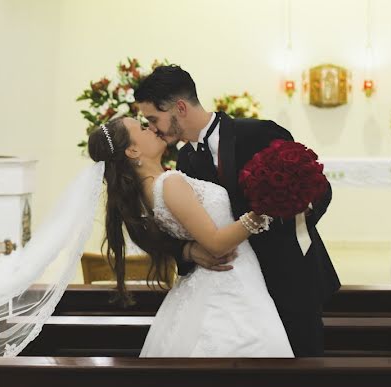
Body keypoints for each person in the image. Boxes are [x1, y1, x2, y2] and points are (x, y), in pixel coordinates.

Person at [134, 65, 340, 356]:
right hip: (238, 286)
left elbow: (317, 189)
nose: (153, 128)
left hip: (289, 276)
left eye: (154, 119)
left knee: (301, 377)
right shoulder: (184, 162)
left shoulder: (259, 133)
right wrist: (190, 250)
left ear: (179, 108)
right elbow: (188, 226)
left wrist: (295, 211)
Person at [89, 116, 293, 356]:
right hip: (229, 279)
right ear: (133, 150)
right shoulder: (169, 183)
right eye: (142, 128)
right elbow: (216, 244)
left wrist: (187, 249)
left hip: (212, 280)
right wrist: (267, 209)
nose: (152, 128)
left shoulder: (146, 191)